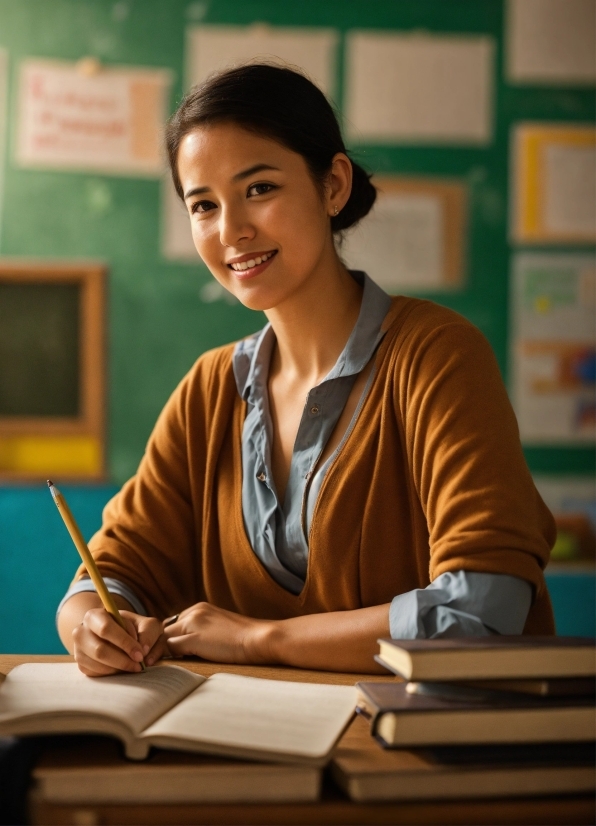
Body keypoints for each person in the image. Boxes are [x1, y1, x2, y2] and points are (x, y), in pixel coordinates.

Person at [57, 64, 555, 678]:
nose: (232, 230)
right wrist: (94, 626)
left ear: (333, 185)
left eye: (259, 188)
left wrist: (259, 640)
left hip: (425, 757)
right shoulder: (209, 390)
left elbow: (484, 611)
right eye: (203, 205)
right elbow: (107, 574)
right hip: (258, 758)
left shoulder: (437, 356)